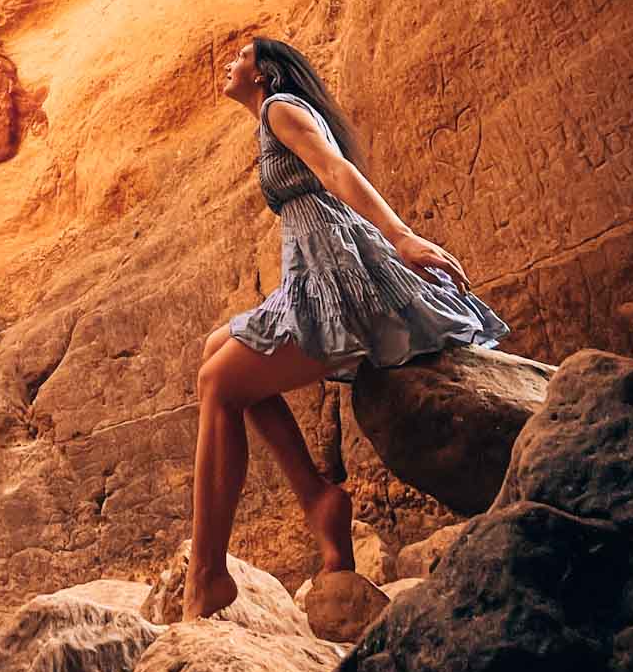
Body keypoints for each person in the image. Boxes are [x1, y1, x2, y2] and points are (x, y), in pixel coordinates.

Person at [183, 35, 509, 620]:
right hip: (315, 271)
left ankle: (207, 575)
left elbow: (336, 171)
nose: (228, 64)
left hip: (341, 276)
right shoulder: (271, 119)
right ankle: (317, 498)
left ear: (265, 72)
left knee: (219, 383)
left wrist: (403, 236)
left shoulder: (283, 107)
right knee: (217, 349)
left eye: (239, 55)